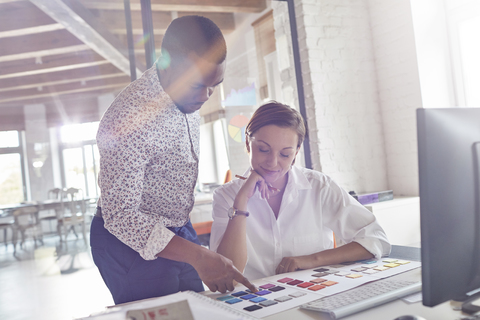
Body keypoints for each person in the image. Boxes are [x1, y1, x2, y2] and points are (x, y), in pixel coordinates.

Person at [90, 15, 256, 305]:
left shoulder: (190, 94)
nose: (206, 96)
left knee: (201, 307)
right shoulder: (127, 117)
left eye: (214, 86)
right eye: (198, 86)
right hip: (127, 239)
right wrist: (199, 255)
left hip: (179, 228)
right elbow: (121, 217)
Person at [210, 102, 391, 280]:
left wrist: (312, 260)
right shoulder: (226, 197)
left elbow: (376, 240)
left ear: (296, 153)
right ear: (248, 145)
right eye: (263, 149)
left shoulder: (319, 187)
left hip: (314, 296)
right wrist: (242, 200)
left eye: (284, 154)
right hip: (254, 303)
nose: (272, 162)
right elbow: (227, 278)